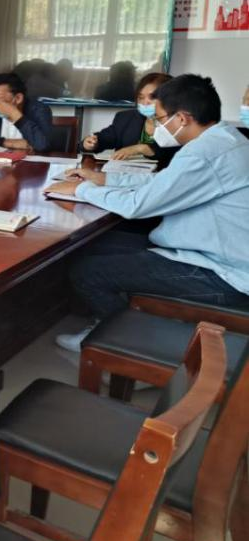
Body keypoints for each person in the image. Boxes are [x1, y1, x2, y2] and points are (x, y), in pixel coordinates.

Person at [47, 75, 249, 352]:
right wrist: (103, 179)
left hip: (223, 273)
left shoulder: (204, 153)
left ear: (182, 118)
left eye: (160, 118)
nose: (156, 126)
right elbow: (163, 182)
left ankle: (124, 343)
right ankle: (114, 323)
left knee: (88, 272)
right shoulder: (226, 139)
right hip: (210, 251)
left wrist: (82, 190)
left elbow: (137, 205)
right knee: (95, 245)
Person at [81, 72, 178, 167]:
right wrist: (91, 143)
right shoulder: (126, 117)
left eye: (152, 97)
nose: (145, 103)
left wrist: (141, 148)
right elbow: (106, 138)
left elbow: (172, 153)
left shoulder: (178, 121)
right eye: (141, 97)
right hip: (124, 173)